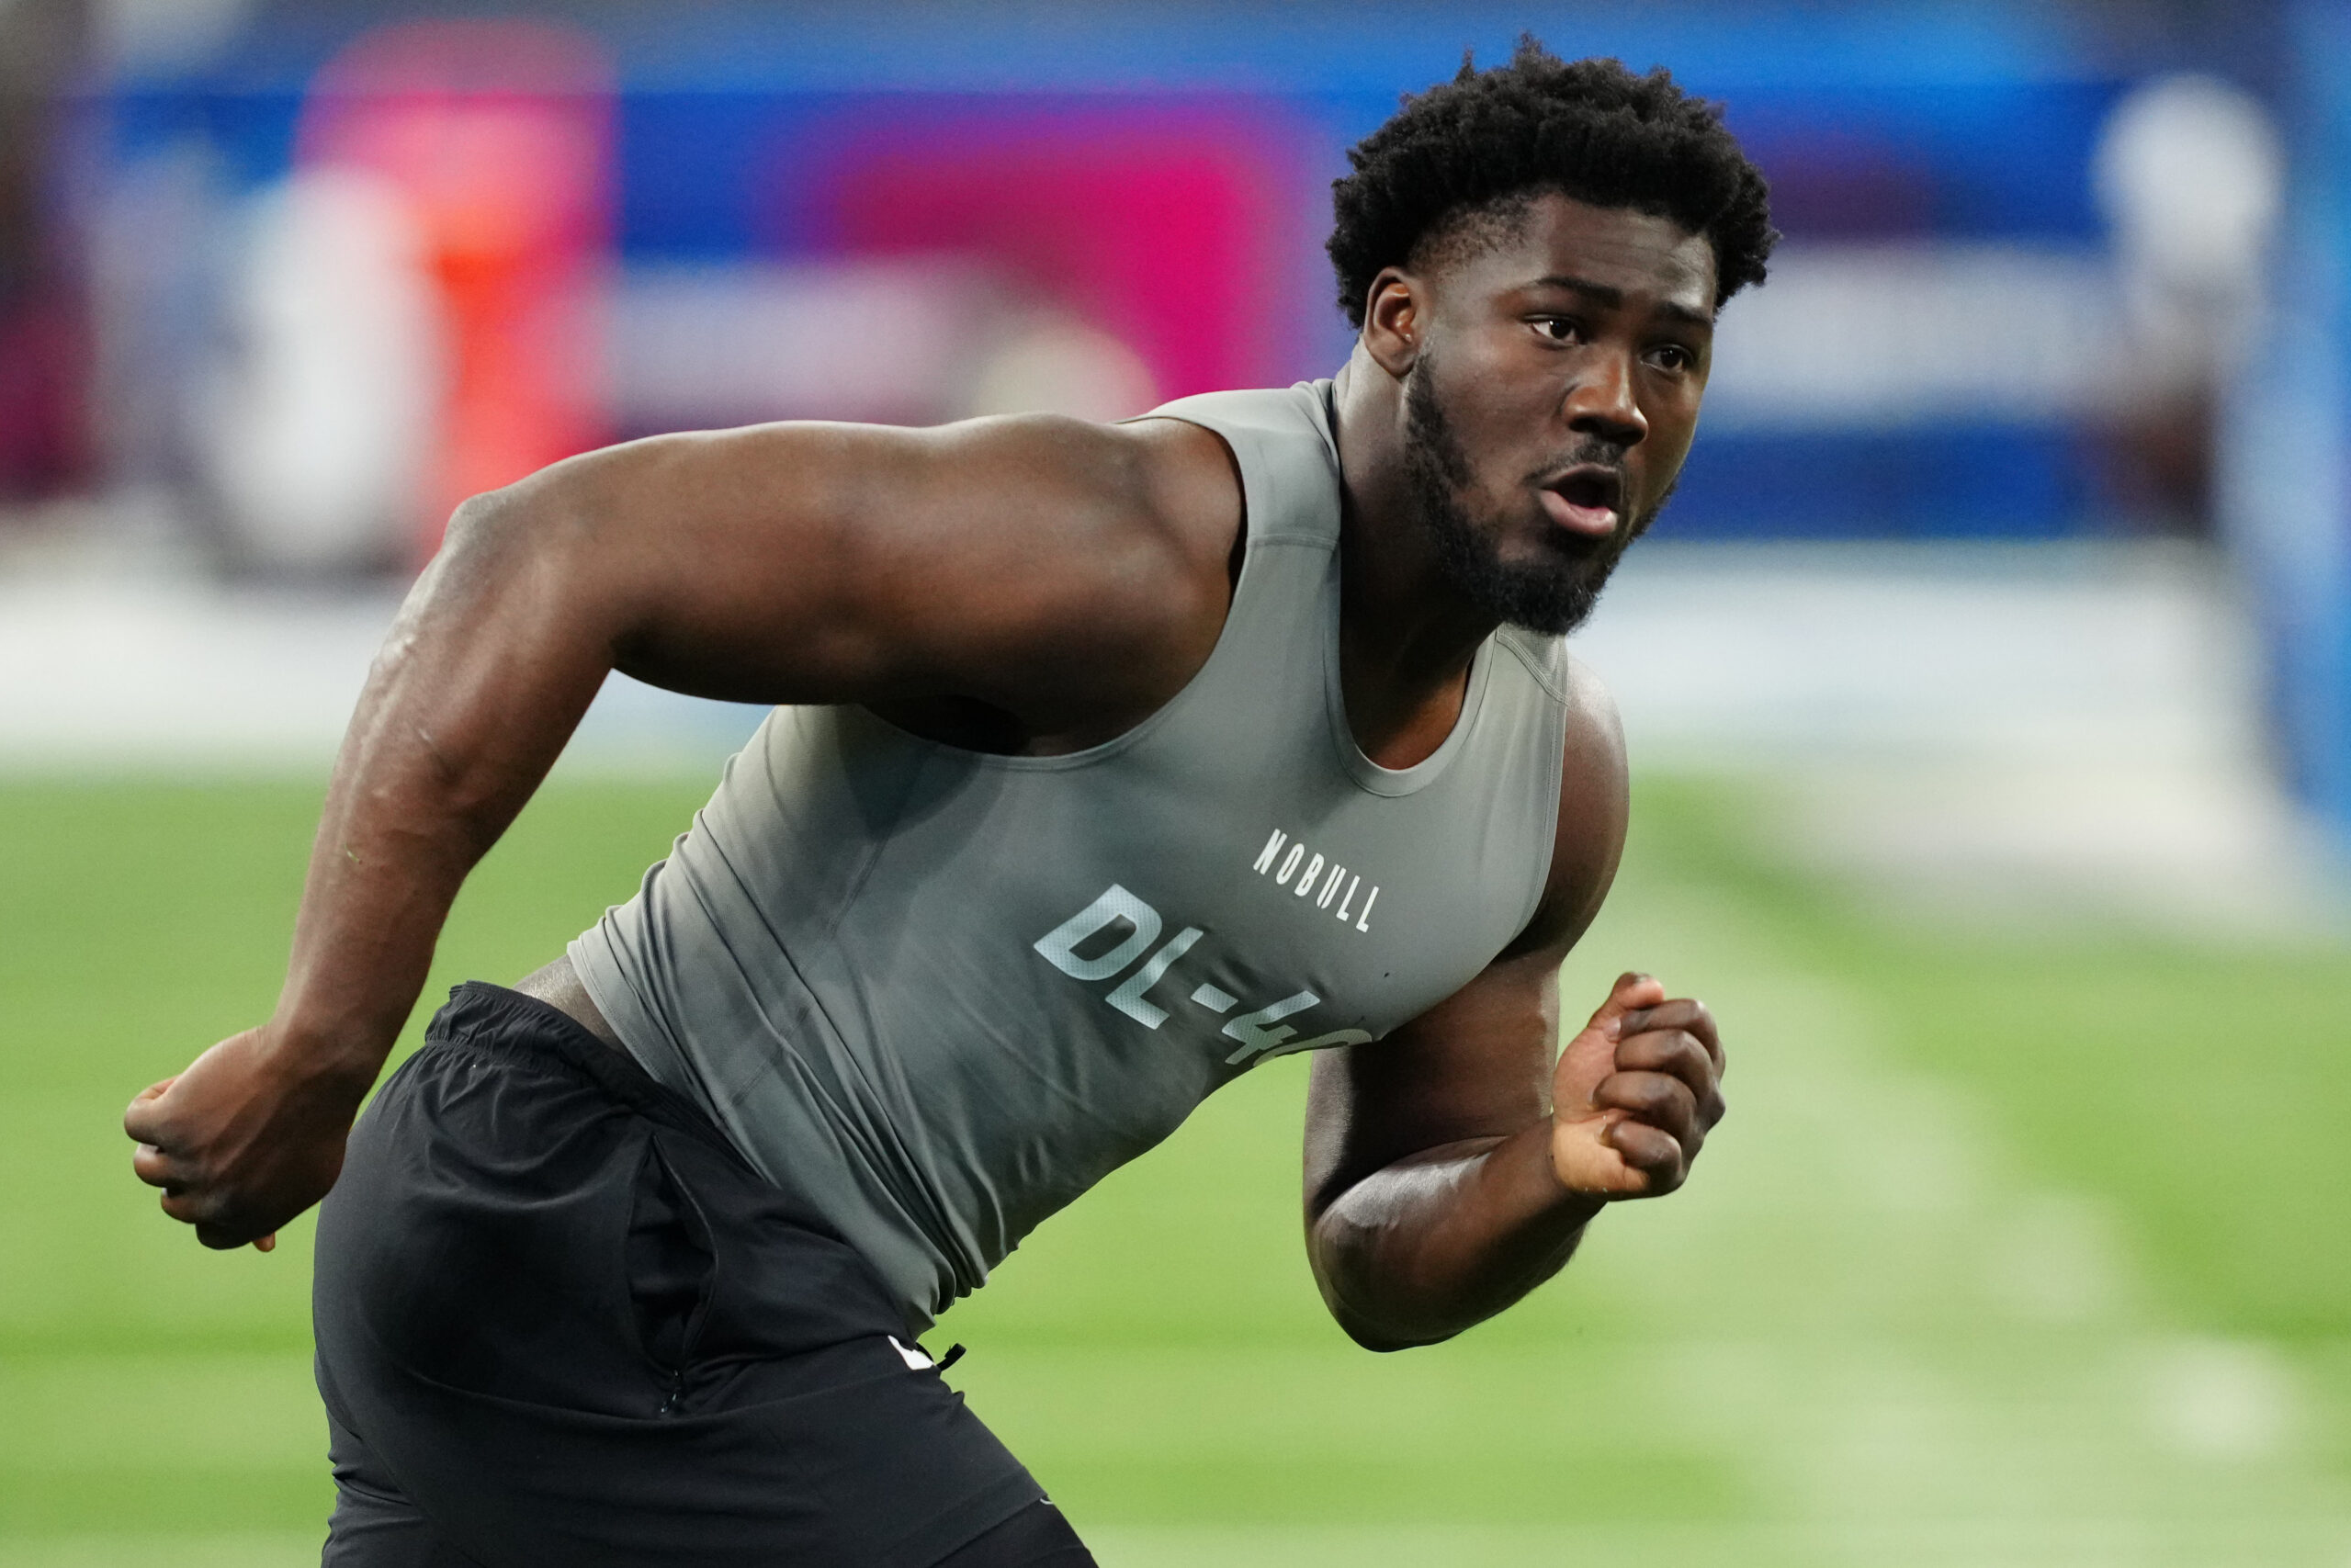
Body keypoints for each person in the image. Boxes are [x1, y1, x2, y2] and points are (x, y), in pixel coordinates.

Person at [126, 40, 1770, 1567]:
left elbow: (1373, 1250)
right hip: (595, 1202)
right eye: (1560, 324)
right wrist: (324, 1044)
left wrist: (1550, 1169)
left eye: (1672, 352)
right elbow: (546, 549)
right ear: (1400, 321)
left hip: (712, 1286)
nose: (1618, 398)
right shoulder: (1133, 553)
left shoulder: (1550, 796)